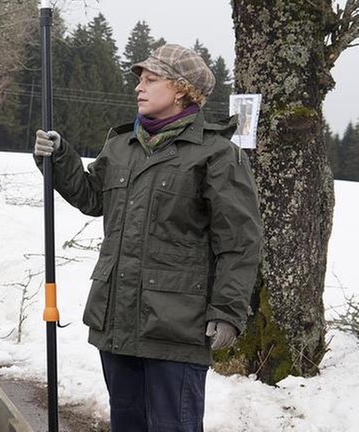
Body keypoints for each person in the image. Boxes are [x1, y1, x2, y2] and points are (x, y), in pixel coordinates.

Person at [35, 44, 262, 431]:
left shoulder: (216, 154)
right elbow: (92, 197)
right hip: (118, 320)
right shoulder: (122, 146)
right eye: (139, 78)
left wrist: (227, 311)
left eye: (151, 79)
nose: (139, 87)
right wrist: (59, 158)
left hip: (177, 327)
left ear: (181, 90)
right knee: (127, 424)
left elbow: (240, 242)